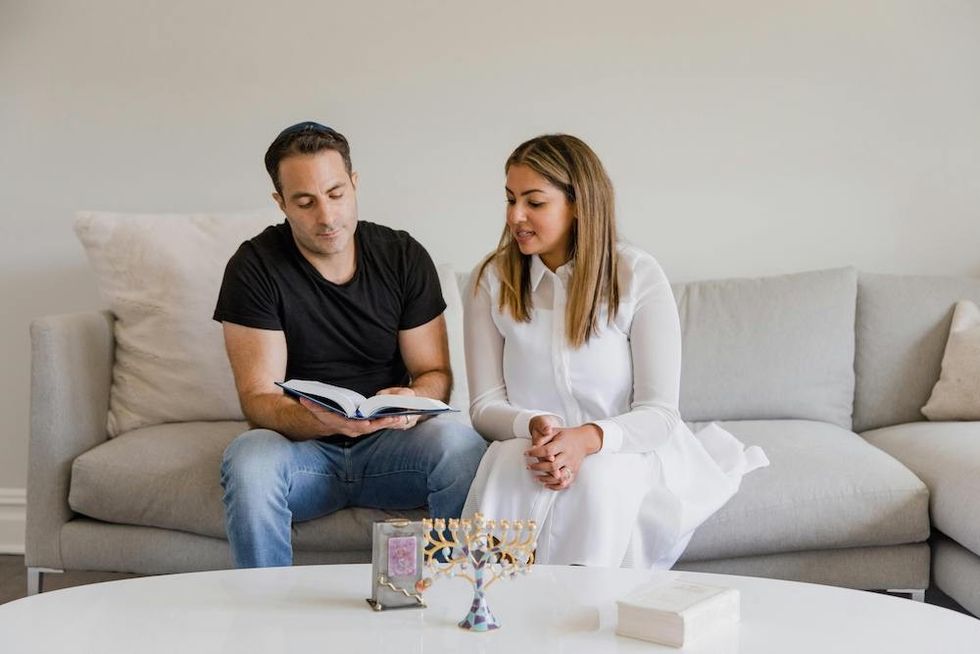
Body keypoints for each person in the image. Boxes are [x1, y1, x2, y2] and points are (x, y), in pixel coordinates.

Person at [462, 134, 768, 568]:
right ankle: (498, 611)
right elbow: (484, 405)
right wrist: (534, 425)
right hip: (532, 443)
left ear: (578, 204)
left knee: (599, 479)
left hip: (622, 446)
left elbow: (660, 414)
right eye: (510, 199)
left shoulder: (637, 275)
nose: (516, 216)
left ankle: (585, 615)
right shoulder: (491, 280)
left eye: (534, 202)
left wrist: (586, 440)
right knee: (512, 467)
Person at [214, 121, 487, 568]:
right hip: (302, 451)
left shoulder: (402, 255)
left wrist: (414, 398)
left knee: (463, 449)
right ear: (280, 203)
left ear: (354, 183)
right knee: (248, 461)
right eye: (305, 202)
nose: (326, 217)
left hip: (391, 447)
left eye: (336, 194)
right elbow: (259, 399)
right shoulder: (254, 266)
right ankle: (264, 622)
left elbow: (435, 375)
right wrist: (319, 420)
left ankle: (448, 601)